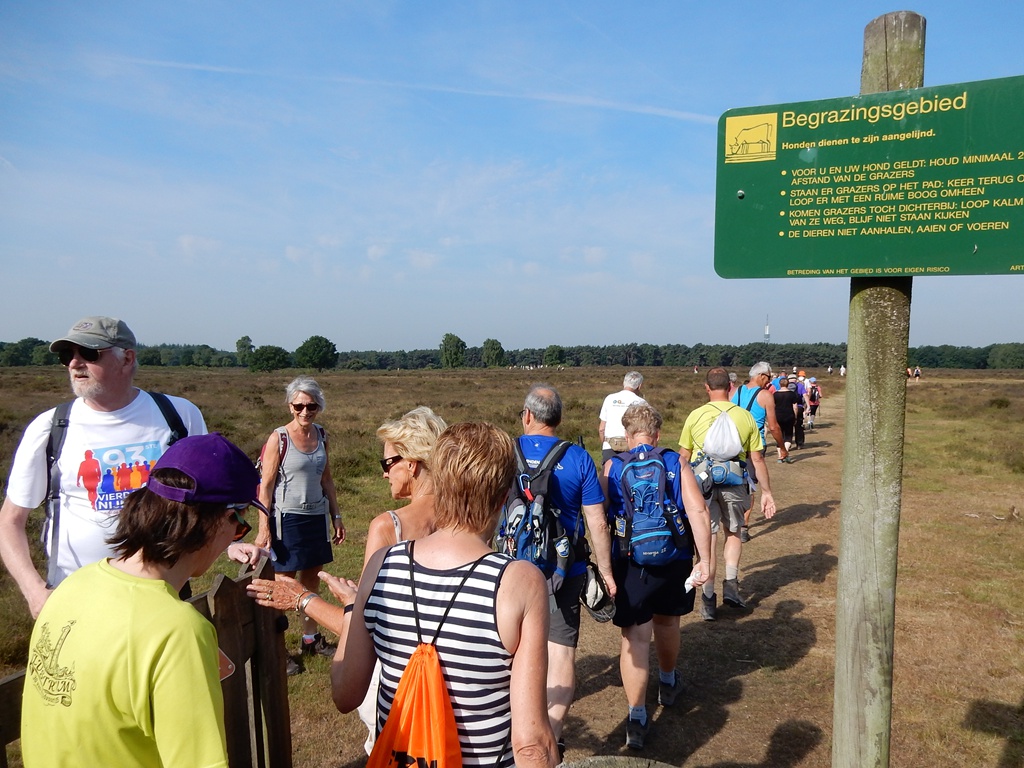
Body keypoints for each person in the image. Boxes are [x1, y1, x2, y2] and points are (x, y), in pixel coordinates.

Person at [21, 432, 266, 767]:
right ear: (221, 520)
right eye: (239, 527)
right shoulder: (177, 631)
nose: (235, 538)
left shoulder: (71, 588)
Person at [328, 422, 559, 768]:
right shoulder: (520, 582)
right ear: (502, 498)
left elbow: (345, 694)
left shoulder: (382, 565)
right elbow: (530, 743)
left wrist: (351, 609)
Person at [0, 316, 207, 618]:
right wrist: (35, 592)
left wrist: (229, 546)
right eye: (66, 355)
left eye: (89, 353)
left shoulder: (179, 415)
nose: (74, 363)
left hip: (165, 592)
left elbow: (208, 499)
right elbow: (11, 520)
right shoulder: (50, 428)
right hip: (76, 595)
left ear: (127, 359)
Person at [602, 403, 712, 750]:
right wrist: (705, 558)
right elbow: (697, 509)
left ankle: (636, 716)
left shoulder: (613, 466)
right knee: (667, 624)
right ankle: (667, 683)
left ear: (626, 435)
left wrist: (605, 567)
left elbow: (601, 517)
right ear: (658, 433)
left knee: (635, 636)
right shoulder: (674, 462)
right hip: (675, 555)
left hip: (631, 560)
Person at [516, 384, 616, 751]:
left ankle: (516, 733)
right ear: (558, 419)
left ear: (527, 416)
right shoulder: (578, 458)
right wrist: (605, 572)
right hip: (565, 572)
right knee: (560, 654)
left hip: (510, 572)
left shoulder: (503, 453)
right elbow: (597, 522)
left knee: (513, 651)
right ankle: (551, 738)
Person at [254, 376, 345, 674]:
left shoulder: (322, 435)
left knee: (312, 579)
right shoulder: (278, 438)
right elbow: (265, 486)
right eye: (299, 406)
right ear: (290, 405)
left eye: (312, 406)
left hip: (315, 518)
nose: (305, 412)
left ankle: (311, 638)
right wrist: (264, 527)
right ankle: (276, 649)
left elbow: (327, 479)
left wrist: (336, 515)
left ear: (319, 407)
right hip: (287, 519)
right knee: (282, 583)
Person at [678, 367, 777, 619]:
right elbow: (757, 458)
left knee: (707, 538)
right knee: (733, 531)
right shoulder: (744, 417)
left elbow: (683, 458)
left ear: (707, 387)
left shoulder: (695, 415)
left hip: (703, 487)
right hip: (735, 482)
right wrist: (766, 491)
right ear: (730, 387)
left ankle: (708, 599)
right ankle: (731, 585)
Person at [731, 362, 786, 541]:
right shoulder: (765, 396)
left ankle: (730, 521)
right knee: (750, 488)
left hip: (732, 445)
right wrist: (782, 446)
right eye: (769, 378)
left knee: (731, 483)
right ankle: (744, 527)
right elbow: (773, 426)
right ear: (762, 375)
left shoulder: (734, 392)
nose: (770, 382)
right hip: (754, 447)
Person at [598, 371, 646, 463]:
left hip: (609, 446)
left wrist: (605, 444)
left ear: (624, 383)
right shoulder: (641, 402)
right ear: (639, 386)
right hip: (632, 447)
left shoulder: (609, 398)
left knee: (609, 475)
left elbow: (601, 429)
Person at [773, 377, 800, 460]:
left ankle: (779, 455)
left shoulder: (775, 394)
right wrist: (795, 416)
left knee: (779, 436)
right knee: (788, 435)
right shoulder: (792, 394)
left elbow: (773, 407)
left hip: (778, 416)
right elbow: (795, 407)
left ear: (779, 384)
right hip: (789, 416)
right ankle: (785, 452)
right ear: (788, 384)